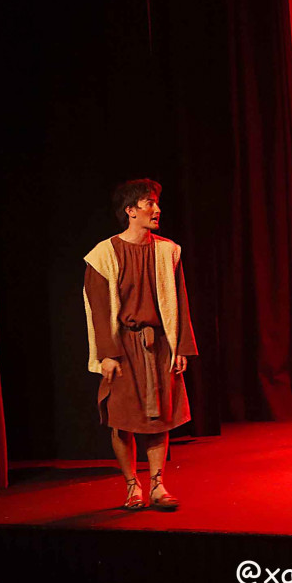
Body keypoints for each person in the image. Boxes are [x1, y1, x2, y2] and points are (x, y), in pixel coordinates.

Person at [83, 178, 197, 510]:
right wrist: (107, 354)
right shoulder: (103, 255)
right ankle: (132, 485)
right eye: (149, 203)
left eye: (156, 203)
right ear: (130, 210)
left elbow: (180, 302)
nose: (156, 209)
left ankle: (157, 485)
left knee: (160, 418)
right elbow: (98, 310)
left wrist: (181, 347)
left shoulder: (168, 251)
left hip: (158, 344)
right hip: (122, 348)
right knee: (122, 420)